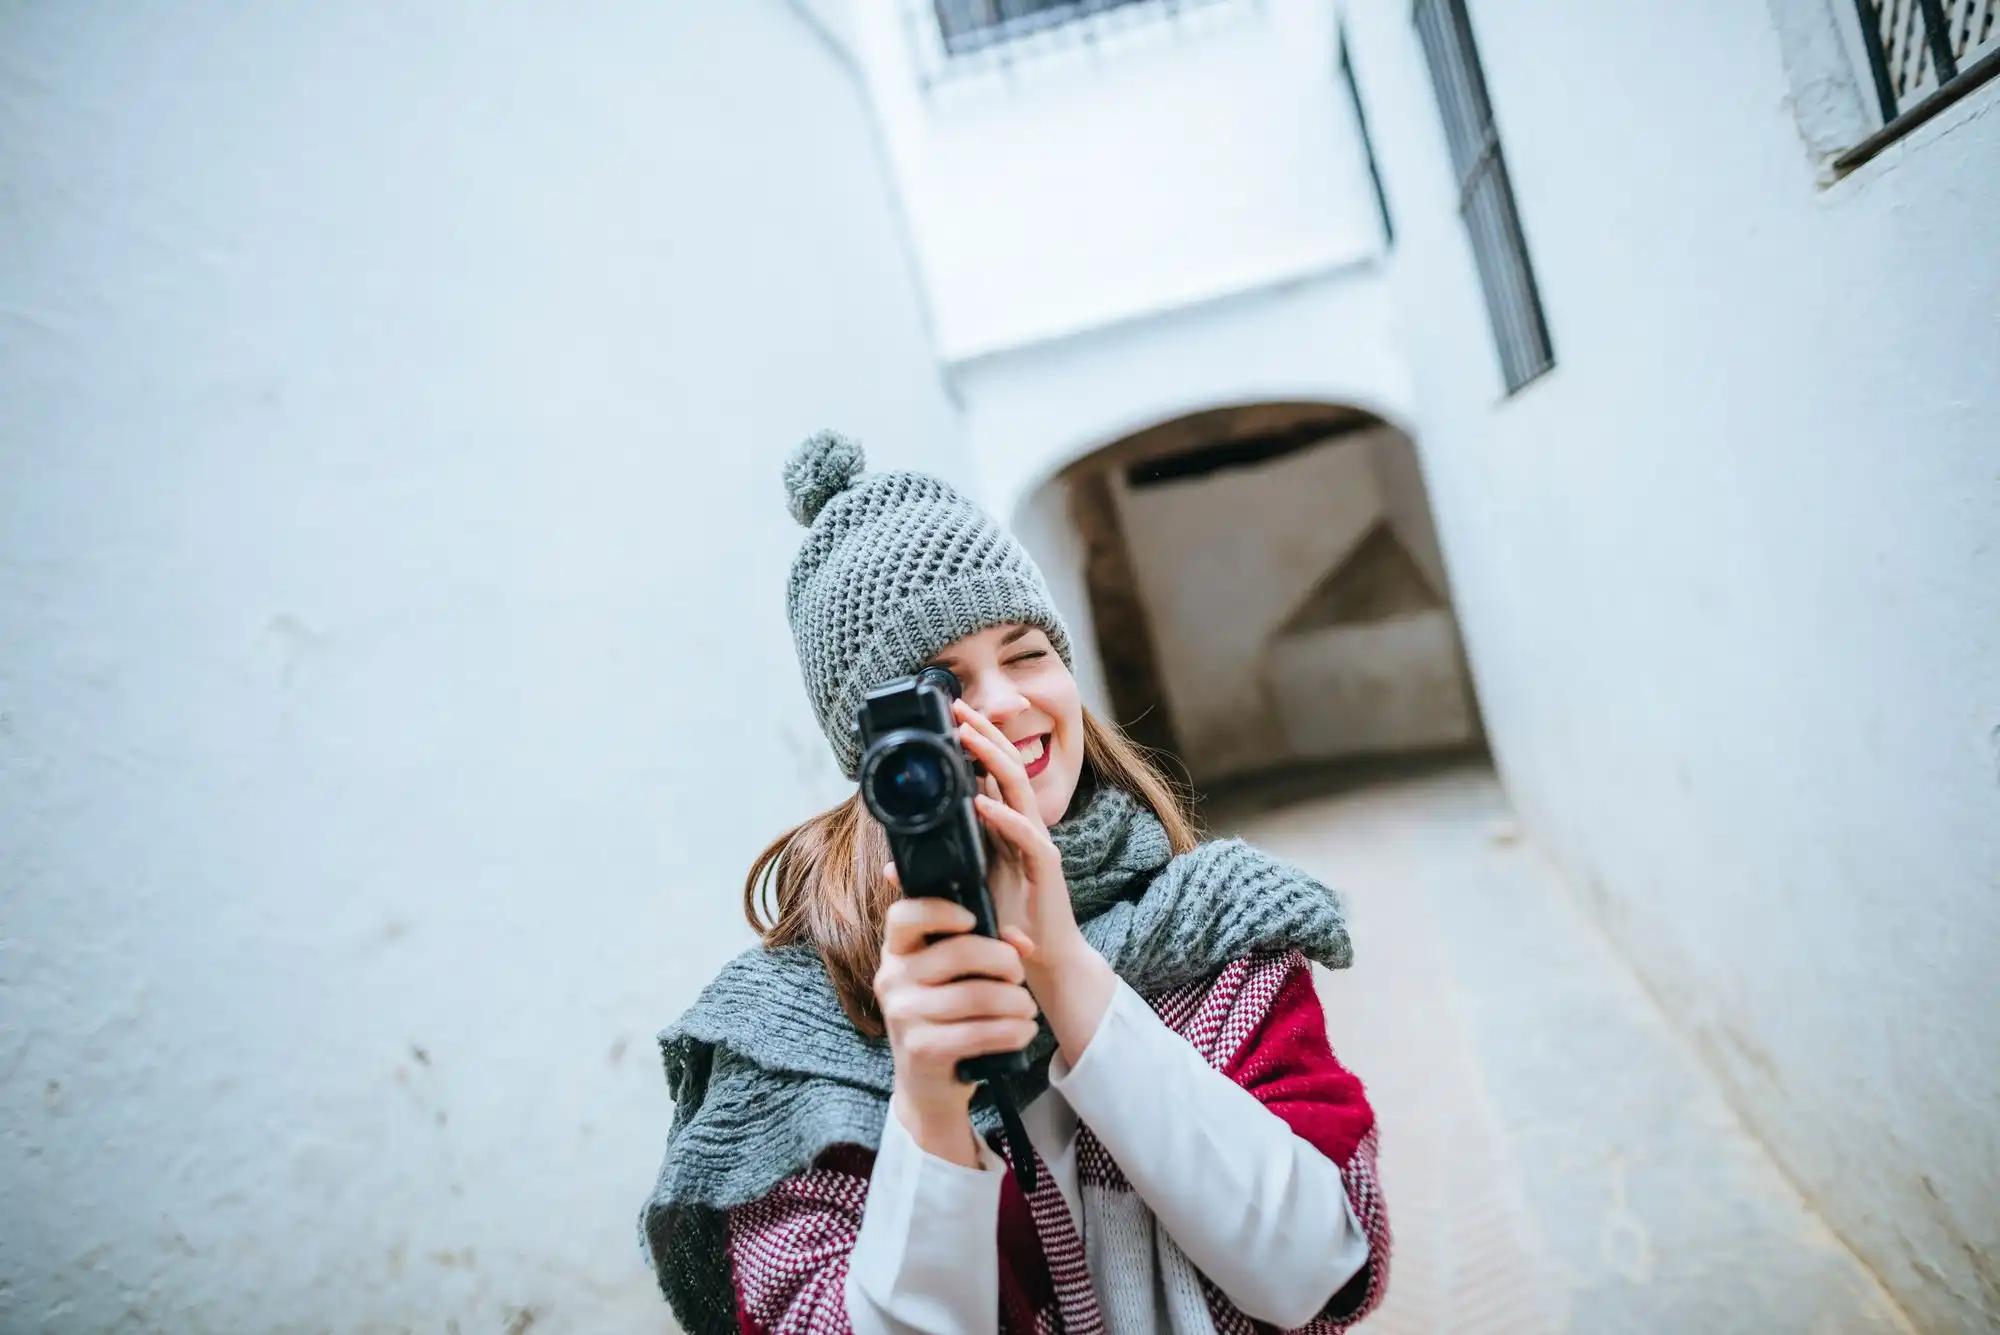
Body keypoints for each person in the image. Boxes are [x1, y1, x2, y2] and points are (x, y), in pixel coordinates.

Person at [639, 430, 1390, 1334]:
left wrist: (1068, 971)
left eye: (1026, 650)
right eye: (939, 683)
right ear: (871, 751)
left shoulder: (1210, 923)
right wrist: (927, 1105)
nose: (1003, 702)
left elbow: (1320, 1267)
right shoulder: (790, 1033)